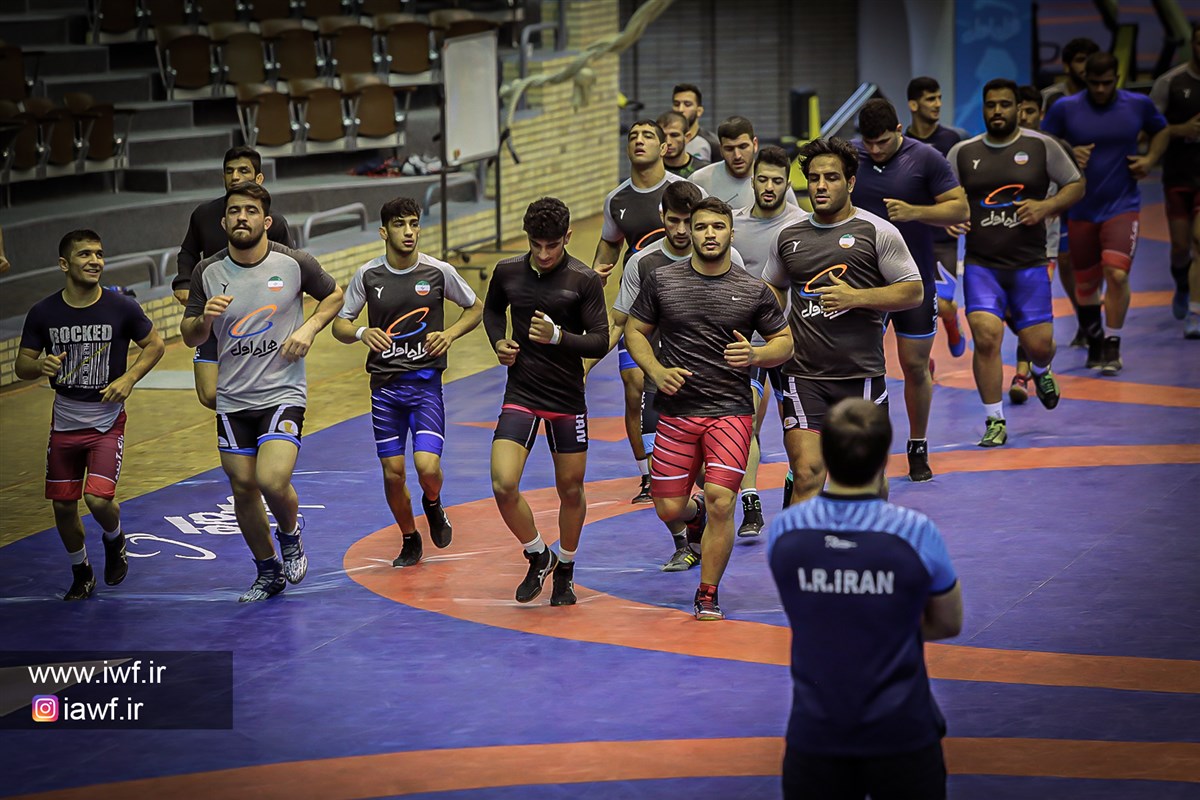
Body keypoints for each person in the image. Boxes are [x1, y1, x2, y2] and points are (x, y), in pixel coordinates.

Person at [767, 398, 962, 800]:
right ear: (884, 457)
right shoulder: (915, 532)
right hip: (902, 731)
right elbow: (948, 622)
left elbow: (806, 610)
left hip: (816, 733)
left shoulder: (787, 530)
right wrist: (886, 622)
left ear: (825, 456)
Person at [625, 197, 793, 621]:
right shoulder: (662, 281)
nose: (709, 234)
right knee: (669, 508)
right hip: (677, 412)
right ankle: (693, 515)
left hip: (730, 413)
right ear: (691, 233)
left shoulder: (753, 289)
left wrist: (755, 355)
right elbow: (635, 331)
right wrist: (655, 370)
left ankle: (707, 591)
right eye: (701, 227)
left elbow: (785, 342)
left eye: (718, 226)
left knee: (721, 501)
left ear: (731, 233)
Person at [181, 183, 344, 602]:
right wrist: (204, 321)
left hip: (282, 391)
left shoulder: (293, 263)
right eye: (235, 211)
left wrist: (309, 328)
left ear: (266, 221)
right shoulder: (207, 272)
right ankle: (267, 570)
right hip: (233, 397)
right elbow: (189, 335)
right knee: (242, 487)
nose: (242, 217)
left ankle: (289, 534)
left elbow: (334, 295)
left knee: (272, 479)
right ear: (223, 221)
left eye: (251, 211)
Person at [763, 137, 924, 506]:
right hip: (804, 375)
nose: (821, 186)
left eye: (831, 178)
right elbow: (773, 285)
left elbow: (913, 291)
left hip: (860, 376)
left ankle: (867, 538)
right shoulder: (788, 236)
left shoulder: (877, 231)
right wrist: (772, 326)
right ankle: (804, 543)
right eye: (814, 178)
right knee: (807, 473)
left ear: (850, 182)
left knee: (868, 480)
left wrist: (857, 297)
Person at [331, 197, 483, 566]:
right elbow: (340, 325)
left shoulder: (438, 271)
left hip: (425, 386)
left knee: (427, 468)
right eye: (400, 224)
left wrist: (449, 334)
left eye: (414, 223)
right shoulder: (368, 275)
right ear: (384, 232)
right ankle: (409, 537)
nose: (409, 231)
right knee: (393, 474)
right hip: (385, 390)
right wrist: (362, 332)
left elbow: (476, 307)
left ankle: (432, 502)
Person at [15, 230, 165, 600]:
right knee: (63, 506)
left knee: (97, 500)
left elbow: (155, 344)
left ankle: (114, 540)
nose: (95, 261)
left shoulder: (121, 307)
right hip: (64, 423)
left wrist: (128, 378)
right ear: (64, 264)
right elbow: (22, 364)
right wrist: (40, 366)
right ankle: (81, 571)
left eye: (99, 254)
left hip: (106, 421)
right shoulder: (44, 312)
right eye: (85, 254)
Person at [610, 181, 748, 569]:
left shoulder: (729, 256)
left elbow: (745, 313)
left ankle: (704, 523)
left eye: (691, 222)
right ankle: (685, 535)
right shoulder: (643, 263)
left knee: (709, 478)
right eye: (675, 221)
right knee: (665, 492)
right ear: (662, 218)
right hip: (663, 384)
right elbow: (621, 323)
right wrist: (582, 361)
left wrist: (749, 366)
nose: (683, 230)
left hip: (714, 388)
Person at [484, 198, 608, 606]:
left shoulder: (583, 280)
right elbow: (492, 311)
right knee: (503, 484)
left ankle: (566, 569)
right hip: (521, 392)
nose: (543, 254)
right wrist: (498, 341)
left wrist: (558, 337)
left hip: (566, 398)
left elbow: (600, 340)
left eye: (551, 245)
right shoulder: (507, 271)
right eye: (535, 245)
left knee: (570, 490)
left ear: (567, 237)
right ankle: (539, 554)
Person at [947, 79, 1083, 447]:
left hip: (1029, 265)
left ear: (1017, 108)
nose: (997, 111)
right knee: (986, 338)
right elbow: (945, 197)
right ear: (983, 108)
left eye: (1004, 104)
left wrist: (1046, 206)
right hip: (982, 265)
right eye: (991, 105)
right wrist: (950, 218)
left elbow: (1075, 184)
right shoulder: (963, 153)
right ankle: (995, 419)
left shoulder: (1041, 146)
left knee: (1040, 345)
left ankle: (1040, 368)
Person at [853, 98, 968, 482]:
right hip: (865, 282)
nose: (875, 150)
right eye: (869, 142)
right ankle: (864, 448)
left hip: (913, 280)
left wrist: (916, 211)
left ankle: (918, 445)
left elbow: (960, 210)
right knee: (861, 367)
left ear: (899, 130)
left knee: (915, 365)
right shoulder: (851, 156)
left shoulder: (926, 158)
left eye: (883, 142)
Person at [1042, 52, 1170, 374]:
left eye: (1107, 83)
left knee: (1116, 273)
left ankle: (1112, 342)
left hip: (1122, 204)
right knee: (1086, 283)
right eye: (1094, 83)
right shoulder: (1065, 108)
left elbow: (1162, 130)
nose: (1100, 89)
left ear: (1118, 78)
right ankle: (1095, 340)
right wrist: (1068, 151)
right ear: (1085, 79)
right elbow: (1043, 142)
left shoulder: (1137, 105)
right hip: (1081, 207)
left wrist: (1150, 159)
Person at [593, 119, 693, 504]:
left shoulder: (684, 191)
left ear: (664, 147)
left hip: (684, 304)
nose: (639, 141)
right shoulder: (616, 199)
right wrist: (595, 272)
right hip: (639, 304)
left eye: (648, 135)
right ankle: (648, 473)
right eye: (633, 136)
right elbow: (609, 243)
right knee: (635, 388)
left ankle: (686, 462)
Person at [172, 146, 294, 410]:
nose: (235, 177)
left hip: (258, 319)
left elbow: (291, 269)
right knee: (209, 394)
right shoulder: (204, 215)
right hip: (215, 315)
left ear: (259, 178)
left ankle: (257, 419)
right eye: (229, 171)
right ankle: (245, 414)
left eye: (243, 171)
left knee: (257, 387)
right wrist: (183, 281)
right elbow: (188, 252)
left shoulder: (274, 223)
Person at [731, 145, 807, 526]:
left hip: (791, 340)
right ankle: (751, 503)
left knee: (797, 425)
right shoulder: (733, 226)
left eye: (777, 181)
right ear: (752, 180)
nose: (769, 187)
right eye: (762, 179)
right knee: (746, 421)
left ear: (787, 184)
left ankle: (795, 481)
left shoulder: (802, 225)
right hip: (749, 340)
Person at [1009, 84, 1079, 402]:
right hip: (1003, 247)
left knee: (1028, 311)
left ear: (1041, 113)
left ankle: (1023, 374)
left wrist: (1050, 207)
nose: (1023, 116)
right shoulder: (999, 148)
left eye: (1030, 111)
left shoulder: (1055, 147)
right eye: (1019, 110)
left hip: (1043, 248)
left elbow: (1075, 187)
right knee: (1012, 312)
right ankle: (1039, 363)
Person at [905, 76, 969, 360]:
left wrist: (963, 213)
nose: (938, 104)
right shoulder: (901, 143)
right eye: (931, 99)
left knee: (941, 304)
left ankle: (952, 321)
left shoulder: (954, 139)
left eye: (939, 98)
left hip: (943, 238)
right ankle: (923, 360)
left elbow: (970, 181)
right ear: (913, 105)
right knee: (913, 302)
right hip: (910, 237)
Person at [1149, 24, 1200, 337]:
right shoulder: (1170, 83)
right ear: (1192, 44)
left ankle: (1196, 311)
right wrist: (1182, 130)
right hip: (1178, 176)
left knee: (1199, 241)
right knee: (1181, 247)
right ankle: (1182, 285)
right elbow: (1151, 128)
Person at [690, 116, 800, 210]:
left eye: (743, 147)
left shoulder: (776, 182)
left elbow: (795, 221)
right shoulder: (699, 180)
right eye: (729, 149)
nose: (737, 156)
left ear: (755, 144)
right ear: (721, 150)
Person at [1042, 37, 1100, 111]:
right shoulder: (1047, 97)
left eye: (1091, 60)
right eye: (1080, 60)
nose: (1087, 66)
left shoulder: (1104, 96)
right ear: (1066, 66)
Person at [672, 83, 720, 162]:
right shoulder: (664, 142)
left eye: (687, 104)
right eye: (676, 104)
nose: (680, 109)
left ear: (699, 111)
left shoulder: (713, 144)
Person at [657, 110, 708, 179]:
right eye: (663, 136)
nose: (668, 142)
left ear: (687, 137)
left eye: (674, 135)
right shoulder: (649, 170)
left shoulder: (704, 171)